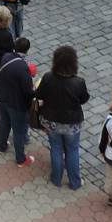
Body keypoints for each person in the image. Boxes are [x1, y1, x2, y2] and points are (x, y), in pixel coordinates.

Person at [36, 45, 90, 190]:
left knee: (56, 148)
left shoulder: (48, 77)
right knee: (72, 150)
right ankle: (75, 182)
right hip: (72, 124)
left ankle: (56, 179)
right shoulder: (78, 82)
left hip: (51, 121)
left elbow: (39, 95)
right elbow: (84, 99)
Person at [0, 37, 36, 167]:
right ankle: (20, 159)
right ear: (27, 51)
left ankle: (2, 145)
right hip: (15, 104)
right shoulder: (23, 68)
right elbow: (27, 91)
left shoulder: (6, 57)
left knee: (5, 122)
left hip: (1, 96)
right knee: (18, 131)